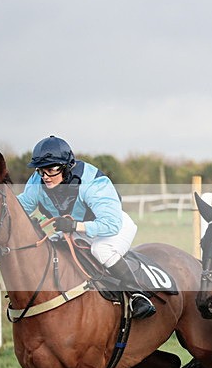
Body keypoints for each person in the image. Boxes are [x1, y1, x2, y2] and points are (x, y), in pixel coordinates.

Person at [17, 135, 156, 319]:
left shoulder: (92, 182)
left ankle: (138, 295)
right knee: (49, 247)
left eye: (51, 170)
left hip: (113, 227)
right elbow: (19, 209)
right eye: (40, 171)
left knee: (101, 250)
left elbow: (111, 224)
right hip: (77, 230)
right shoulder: (37, 181)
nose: (45, 177)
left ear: (66, 167)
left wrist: (74, 225)